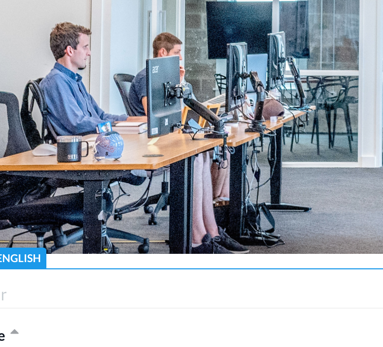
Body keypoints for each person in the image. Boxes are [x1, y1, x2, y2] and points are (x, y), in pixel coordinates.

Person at [41, 23, 242, 254]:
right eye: (85, 47)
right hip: (94, 154)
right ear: (70, 50)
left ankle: (211, 232)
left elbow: (101, 116)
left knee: (200, 155)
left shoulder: (74, 80)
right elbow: (78, 125)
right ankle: (196, 241)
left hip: (103, 146)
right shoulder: (56, 81)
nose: (89, 52)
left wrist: (135, 121)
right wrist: (118, 125)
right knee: (193, 160)